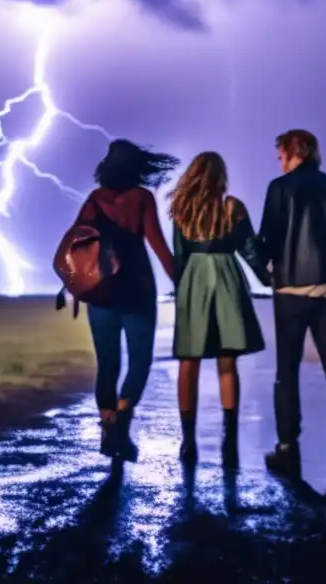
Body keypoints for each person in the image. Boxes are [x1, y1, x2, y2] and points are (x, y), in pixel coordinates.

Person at [258, 129, 326, 480]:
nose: (278, 161)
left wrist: (270, 271)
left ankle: (287, 447)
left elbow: (266, 242)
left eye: (280, 154)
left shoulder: (279, 187)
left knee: (287, 371)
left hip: (289, 291)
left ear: (290, 152)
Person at [74, 139, 178, 462]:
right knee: (140, 362)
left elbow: (77, 243)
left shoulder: (95, 200)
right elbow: (158, 244)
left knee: (107, 364)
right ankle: (122, 423)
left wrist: (76, 286)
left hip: (101, 294)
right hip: (137, 292)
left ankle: (109, 426)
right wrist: (180, 280)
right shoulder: (142, 199)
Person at [168, 151, 270, 470]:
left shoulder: (181, 210)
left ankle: (188, 440)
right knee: (227, 362)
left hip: (193, 280)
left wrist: (183, 291)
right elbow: (250, 249)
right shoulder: (232, 206)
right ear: (220, 176)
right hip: (227, 277)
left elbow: (180, 256)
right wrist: (268, 279)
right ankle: (229, 439)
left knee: (189, 360)